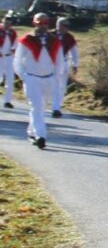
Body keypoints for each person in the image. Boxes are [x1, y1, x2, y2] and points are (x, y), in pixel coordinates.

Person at [15, 12, 65, 149]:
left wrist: (56, 77)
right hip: (32, 78)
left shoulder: (54, 41)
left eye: (44, 23)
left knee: (40, 108)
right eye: (39, 23)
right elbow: (18, 61)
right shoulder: (27, 40)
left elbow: (60, 62)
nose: (42, 26)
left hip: (48, 79)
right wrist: (25, 77)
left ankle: (31, 131)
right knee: (36, 107)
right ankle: (41, 136)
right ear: (34, 23)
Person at [51, 17, 79, 118]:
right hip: (51, 64)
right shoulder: (51, 35)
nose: (67, 28)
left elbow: (74, 52)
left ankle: (57, 107)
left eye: (68, 26)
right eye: (65, 25)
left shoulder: (69, 37)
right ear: (58, 25)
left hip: (64, 62)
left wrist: (75, 64)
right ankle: (53, 106)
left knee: (61, 86)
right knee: (54, 85)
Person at [0, 14, 19, 109]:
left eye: (9, 23)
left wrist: (13, 49)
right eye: (5, 23)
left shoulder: (13, 33)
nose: (7, 25)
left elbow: (16, 43)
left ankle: (7, 101)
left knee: (10, 79)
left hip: (9, 58)